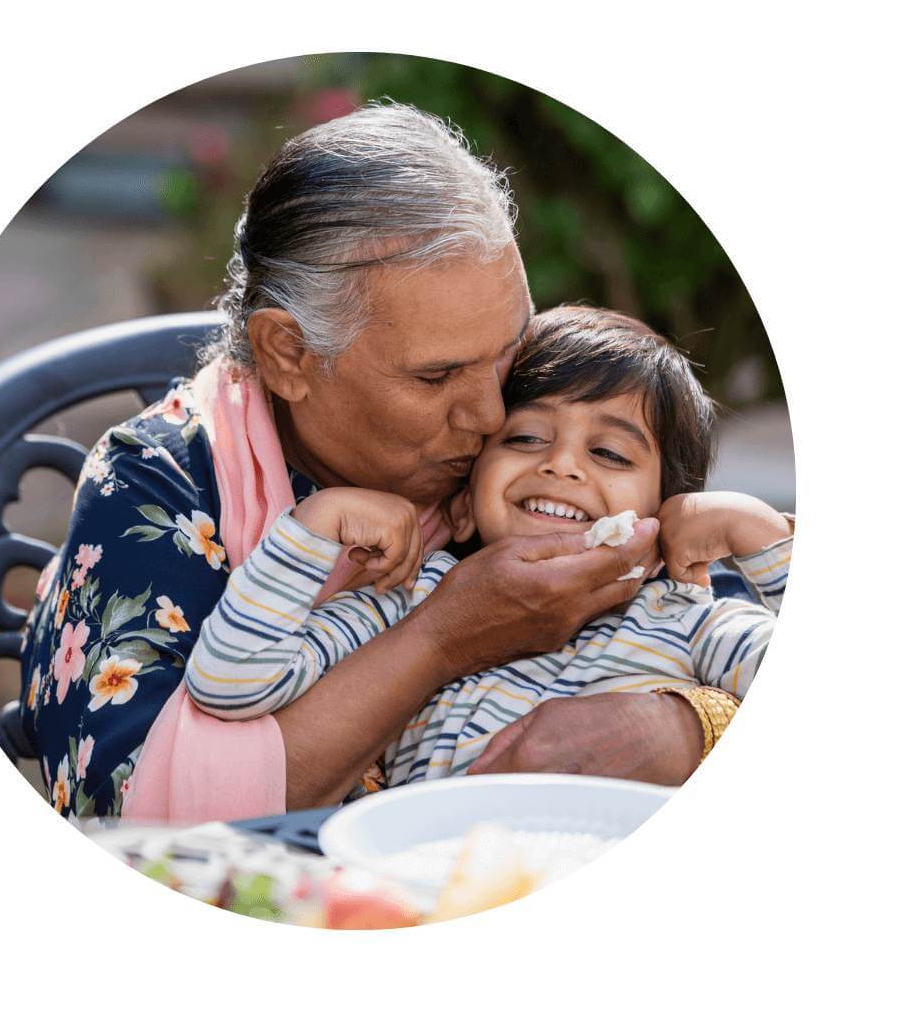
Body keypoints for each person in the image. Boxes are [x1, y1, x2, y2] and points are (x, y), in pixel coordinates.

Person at [20, 103, 707, 823]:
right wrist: (443, 639)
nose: (494, 416)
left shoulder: (526, 441)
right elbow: (131, 824)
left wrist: (686, 724)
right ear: (289, 354)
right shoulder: (153, 489)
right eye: (436, 377)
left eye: (507, 349)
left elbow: (713, 607)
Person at [183, 307, 792, 787]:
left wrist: (758, 532)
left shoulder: (688, 619)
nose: (560, 465)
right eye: (525, 437)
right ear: (463, 498)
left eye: (608, 453)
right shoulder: (403, 598)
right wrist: (314, 526)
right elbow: (230, 685)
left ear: (664, 519)